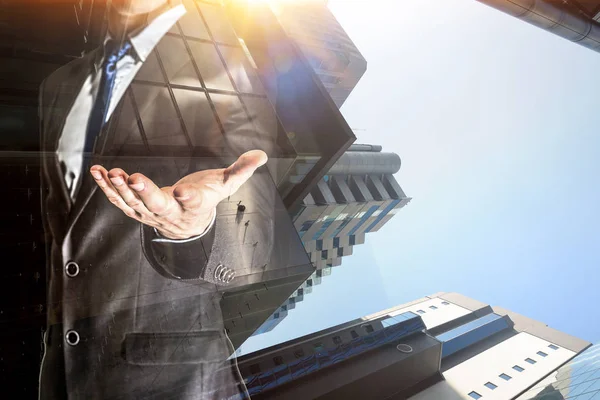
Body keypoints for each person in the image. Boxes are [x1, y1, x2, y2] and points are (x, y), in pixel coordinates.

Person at [37, 0, 277, 398]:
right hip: (61, 374)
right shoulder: (59, 84)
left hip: (172, 382)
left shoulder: (224, 56)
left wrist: (193, 230)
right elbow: (60, 226)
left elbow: (251, 241)